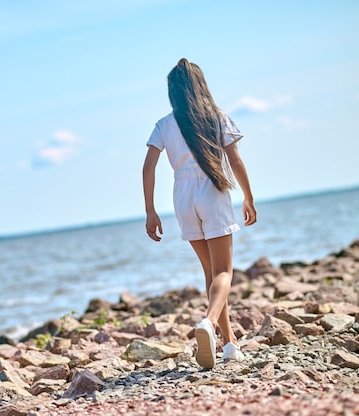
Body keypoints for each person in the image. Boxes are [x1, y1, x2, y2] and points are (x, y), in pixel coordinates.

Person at [142, 58, 257, 369]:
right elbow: (235, 161)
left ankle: (230, 344)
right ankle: (208, 323)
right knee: (224, 273)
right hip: (212, 190)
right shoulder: (217, 117)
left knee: (210, 274)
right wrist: (248, 196)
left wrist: (150, 211)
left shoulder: (164, 124)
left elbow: (148, 166)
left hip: (182, 197)